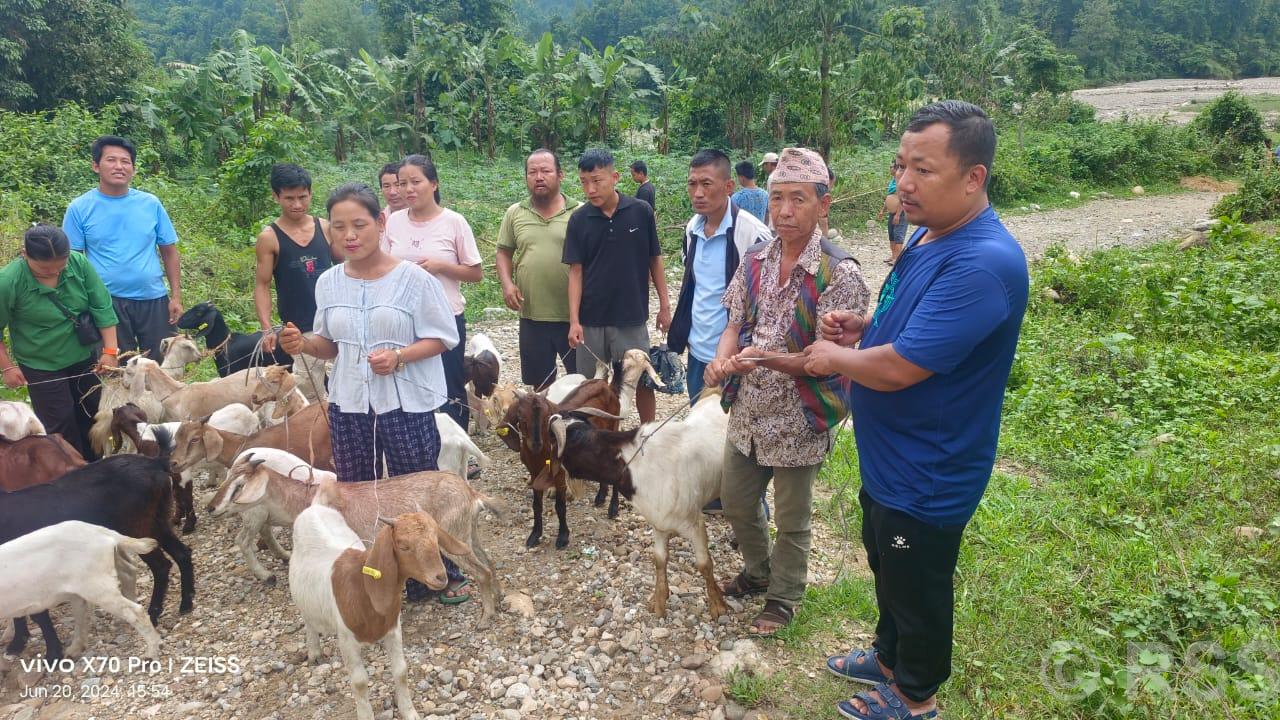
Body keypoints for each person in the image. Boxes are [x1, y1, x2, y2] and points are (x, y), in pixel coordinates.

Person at [804, 101, 1028, 720]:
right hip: (891, 462)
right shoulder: (931, 233)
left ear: (973, 177)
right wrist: (865, 328)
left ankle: (914, 695)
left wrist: (834, 356)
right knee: (887, 563)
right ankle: (888, 657)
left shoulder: (982, 263)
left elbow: (902, 367)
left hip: (927, 472)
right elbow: (912, 328)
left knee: (915, 581)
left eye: (923, 170)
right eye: (900, 166)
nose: (904, 183)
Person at [278, 182, 472, 604]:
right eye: (339, 227)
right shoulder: (329, 283)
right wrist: (303, 343)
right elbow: (329, 345)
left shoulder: (414, 279)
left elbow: (443, 336)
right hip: (349, 402)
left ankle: (436, 573)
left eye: (359, 225)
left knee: (414, 487)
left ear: (381, 222)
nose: (349, 236)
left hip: (406, 403)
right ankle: (372, 572)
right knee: (355, 491)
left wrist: (400, 356)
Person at [704, 148, 870, 636]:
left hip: (801, 414)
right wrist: (721, 360)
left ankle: (784, 597)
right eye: (777, 198)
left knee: (793, 516)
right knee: (736, 501)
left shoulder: (839, 273)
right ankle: (758, 571)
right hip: (749, 410)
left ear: (824, 204)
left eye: (798, 199)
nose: (784, 211)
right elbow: (733, 323)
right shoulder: (756, 259)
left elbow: (826, 357)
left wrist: (764, 358)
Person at [565, 149, 671, 424]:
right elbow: (575, 272)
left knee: (642, 380)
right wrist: (574, 321)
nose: (590, 189)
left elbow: (655, 259)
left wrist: (665, 305)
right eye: (584, 182)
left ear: (615, 177)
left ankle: (648, 433)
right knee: (589, 386)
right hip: (591, 319)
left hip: (631, 316)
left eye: (597, 181)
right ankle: (594, 437)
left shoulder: (640, 211)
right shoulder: (579, 220)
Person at [0, 225, 119, 460]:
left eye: (60, 266)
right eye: (45, 269)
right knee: (60, 423)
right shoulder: (8, 281)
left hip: (83, 356)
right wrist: (7, 367)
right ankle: (70, 471)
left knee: (92, 413)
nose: (54, 273)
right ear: (25, 254)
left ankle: (95, 466)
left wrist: (110, 350)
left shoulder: (78, 263)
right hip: (41, 364)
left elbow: (102, 305)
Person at [383, 154, 483, 430]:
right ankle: (418, 442)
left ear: (434, 184)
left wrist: (441, 266)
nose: (408, 189)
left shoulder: (454, 222)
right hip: (403, 318)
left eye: (416, 182)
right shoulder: (393, 222)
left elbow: (475, 273)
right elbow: (382, 265)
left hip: (445, 317)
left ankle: (458, 444)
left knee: (450, 386)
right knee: (409, 384)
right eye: (402, 183)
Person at [62, 135, 181, 361]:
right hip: (106, 302)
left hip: (153, 299)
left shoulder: (150, 204)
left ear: (133, 169)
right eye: (111, 160)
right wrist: (82, 303)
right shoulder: (79, 208)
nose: (119, 166)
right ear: (96, 166)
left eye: (125, 161)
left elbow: (169, 251)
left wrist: (176, 296)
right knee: (118, 368)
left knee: (164, 365)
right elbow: (73, 261)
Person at [496, 149, 582, 389]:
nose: (539, 177)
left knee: (582, 382)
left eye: (545, 171)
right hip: (532, 314)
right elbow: (503, 252)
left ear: (560, 175)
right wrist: (507, 284)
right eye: (532, 172)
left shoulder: (580, 212)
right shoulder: (515, 213)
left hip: (575, 316)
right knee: (540, 385)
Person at [256, 164, 341, 356]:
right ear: (276, 196)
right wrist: (266, 327)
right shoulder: (269, 238)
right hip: (299, 331)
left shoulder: (326, 227)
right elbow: (262, 285)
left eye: (302, 197)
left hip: (335, 321)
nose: (297, 205)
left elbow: (346, 267)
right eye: (289, 198)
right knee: (308, 375)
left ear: (310, 193)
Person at [877, 161, 909, 264]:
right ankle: (893, 256)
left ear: (896, 168)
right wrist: (883, 210)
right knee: (891, 235)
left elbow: (903, 198)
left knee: (898, 235)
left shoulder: (902, 182)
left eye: (891, 167)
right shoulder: (892, 181)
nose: (890, 168)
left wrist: (898, 214)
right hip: (892, 213)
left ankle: (897, 258)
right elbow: (889, 197)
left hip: (900, 213)